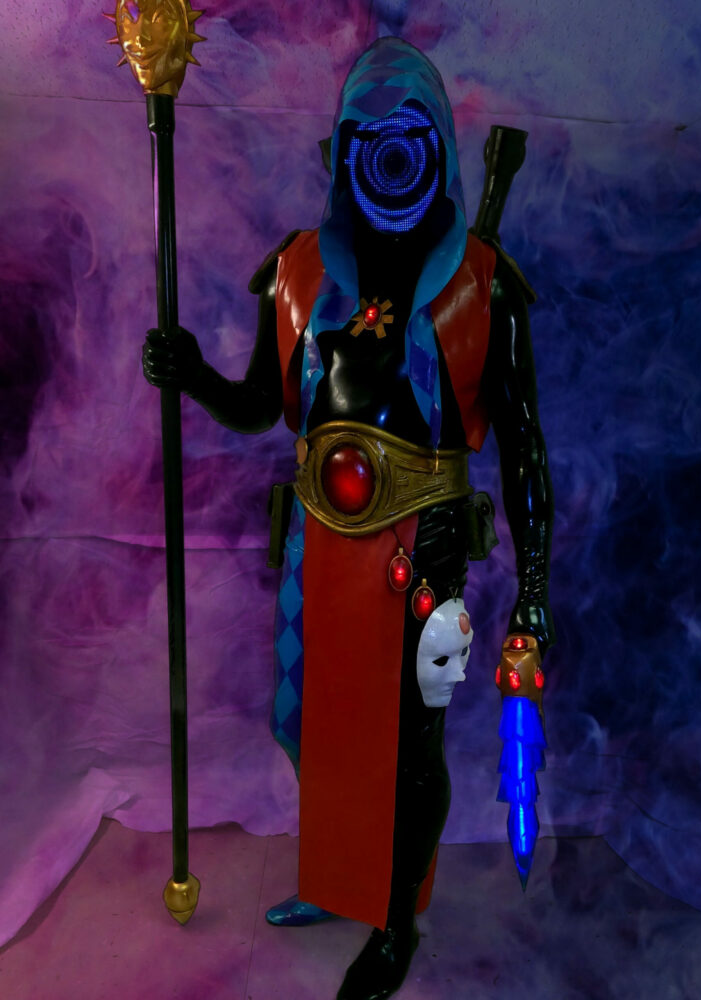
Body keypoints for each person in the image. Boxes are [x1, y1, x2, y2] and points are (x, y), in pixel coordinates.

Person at [142, 36, 553, 1000]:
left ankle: (396, 922)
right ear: (341, 148)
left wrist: (532, 591)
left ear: (439, 143)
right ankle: (338, 880)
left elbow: (525, 448)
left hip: (428, 546)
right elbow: (264, 406)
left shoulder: (484, 282)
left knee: (412, 742)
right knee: (328, 727)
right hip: (318, 548)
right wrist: (193, 372)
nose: (392, 155)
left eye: (410, 134)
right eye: (370, 137)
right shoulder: (298, 272)